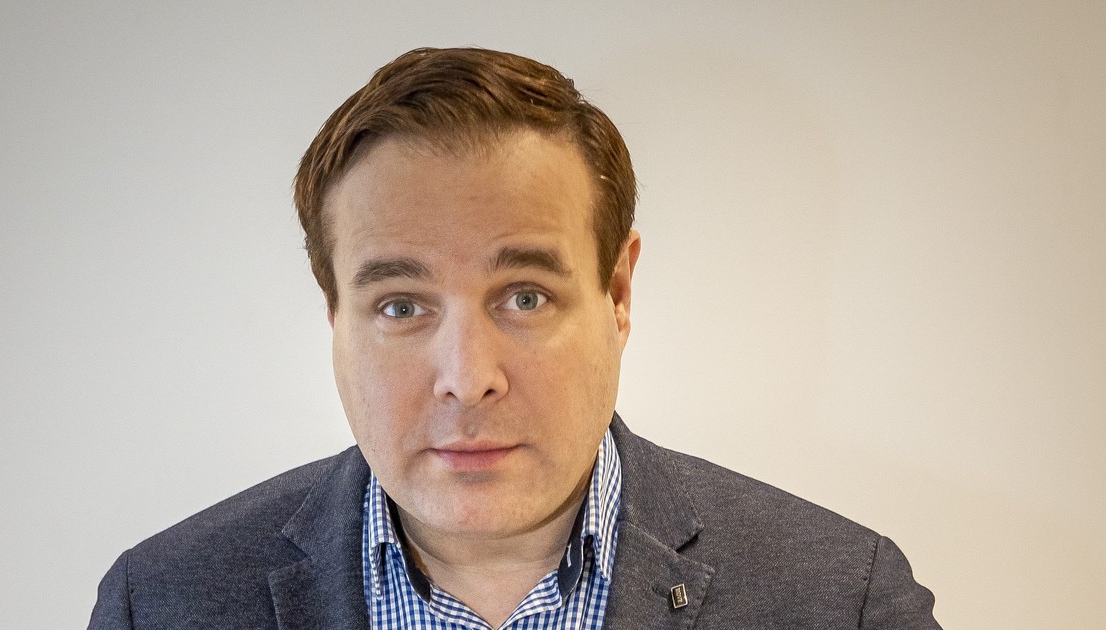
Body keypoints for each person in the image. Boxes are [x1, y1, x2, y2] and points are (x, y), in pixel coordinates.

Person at [89, 47, 940, 629]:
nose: (468, 378)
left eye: (524, 297)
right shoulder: (159, 604)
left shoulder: (842, 600)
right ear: (334, 316)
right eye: (401, 306)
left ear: (616, 294)